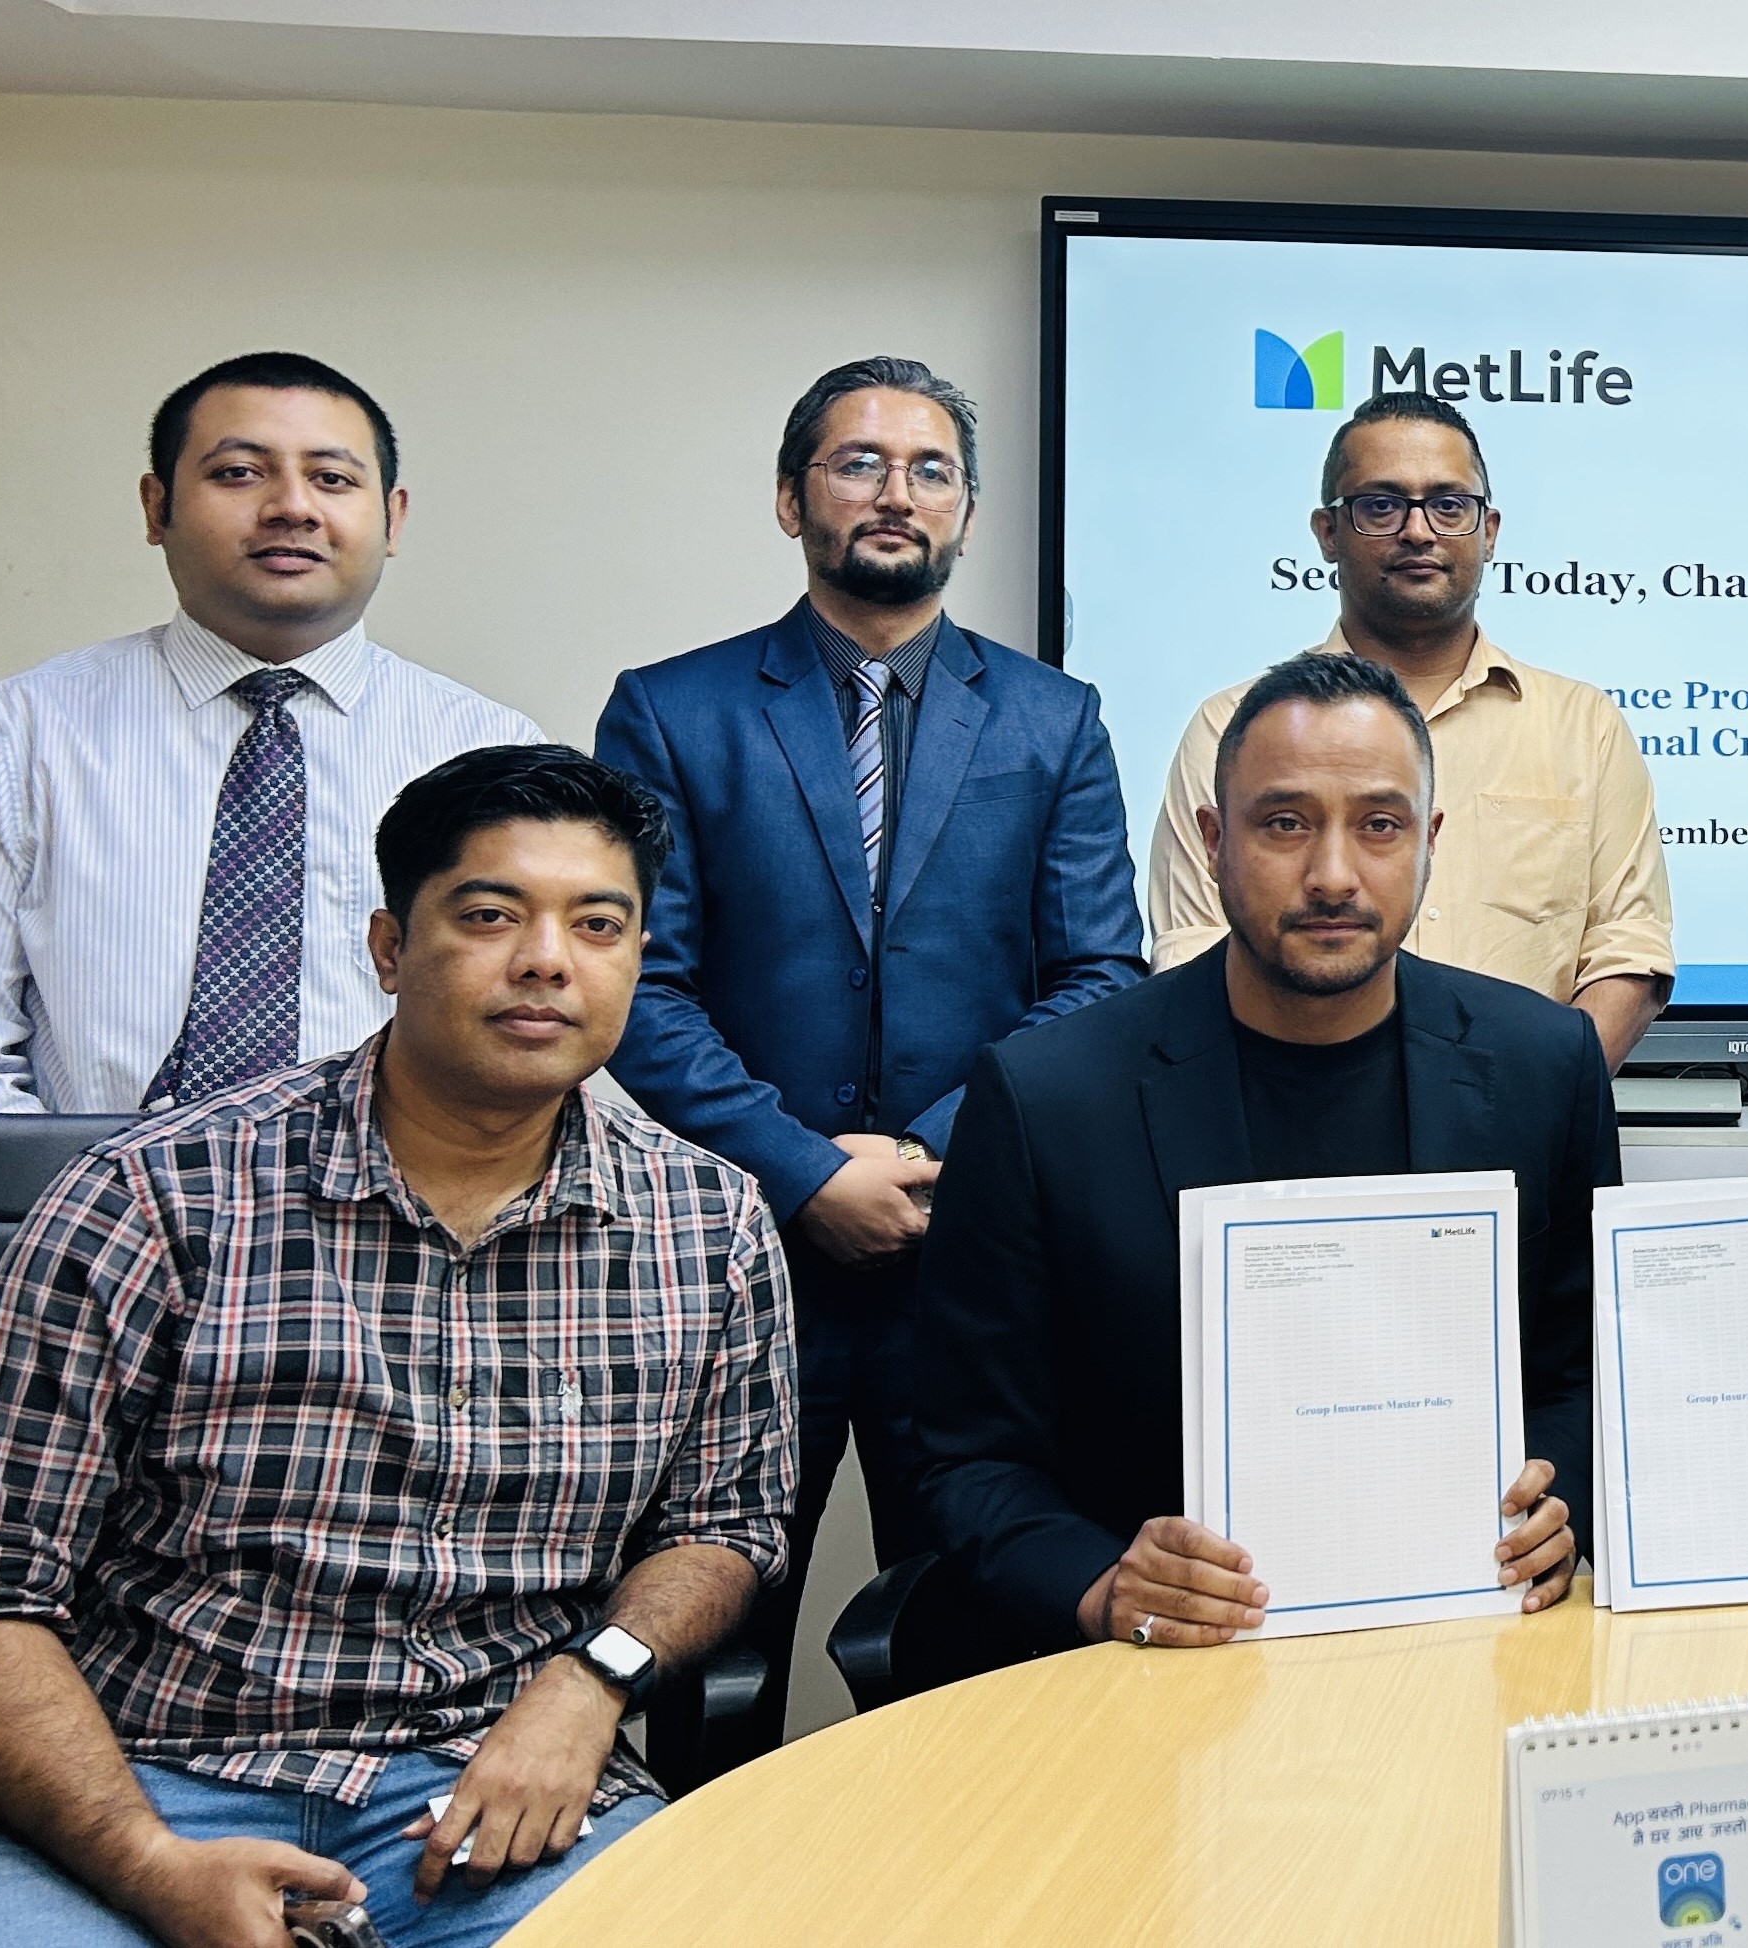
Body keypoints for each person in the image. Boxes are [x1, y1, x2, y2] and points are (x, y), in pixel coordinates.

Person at [0, 745, 797, 1948]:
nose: (547, 960)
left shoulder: (708, 1225)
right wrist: (148, 1864)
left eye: (598, 924)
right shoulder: (154, 1195)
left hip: (490, 1784)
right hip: (138, 1778)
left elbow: (726, 1525)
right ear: (390, 948)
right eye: (490, 914)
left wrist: (593, 1677)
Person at [591, 355, 1143, 1751]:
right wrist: (804, 1172)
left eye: (929, 469)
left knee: (971, 1640)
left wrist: (930, 1151)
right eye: (858, 463)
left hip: (972, 1260)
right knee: (709, 1652)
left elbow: (1097, 977)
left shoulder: (1053, 718)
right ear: (792, 500)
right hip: (739, 1257)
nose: (896, 493)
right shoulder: (671, 710)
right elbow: (640, 985)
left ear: (966, 511)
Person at [909, 650, 1610, 1653]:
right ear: (1212, 841)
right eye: (1284, 823)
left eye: (1379, 825)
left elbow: (1585, 1375)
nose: (1333, 874)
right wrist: (1102, 1583)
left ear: (1428, 842)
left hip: (1465, 1637)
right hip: (1163, 1667)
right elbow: (964, 1455)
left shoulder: (1543, 1064)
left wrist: (1557, 1495)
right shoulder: (1044, 1097)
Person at [0, 351, 539, 1114]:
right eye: (239, 473)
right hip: (85, 1183)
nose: (292, 507)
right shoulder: (12, 738)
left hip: (397, 1188)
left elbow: (519, 1029)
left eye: (331, 478)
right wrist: (87, 1188)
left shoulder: (491, 752)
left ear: (393, 518)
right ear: (157, 507)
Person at [1146, 392, 1674, 1063]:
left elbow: (1627, 955)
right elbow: (1193, 952)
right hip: (1289, 1118)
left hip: (1521, 1118)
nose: (1418, 531)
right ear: (1327, 532)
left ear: (1489, 531)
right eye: (1381, 506)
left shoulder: (1583, 727)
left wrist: (1532, 1102)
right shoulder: (1233, 728)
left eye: (1449, 505)